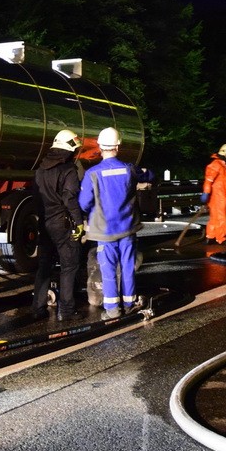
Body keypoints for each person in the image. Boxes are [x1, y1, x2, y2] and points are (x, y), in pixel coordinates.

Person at [79, 127, 147, 319]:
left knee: (108, 268)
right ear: (118, 146)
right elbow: (147, 176)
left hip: (105, 230)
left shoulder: (92, 173)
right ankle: (129, 302)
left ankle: (112, 310)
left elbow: (84, 203)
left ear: (100, 147)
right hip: (127, 228)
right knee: (127, 266)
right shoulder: (129, 169)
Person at [31, 129, 85, 322]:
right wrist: (79, 223)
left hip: (45, 223)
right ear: (69, 149)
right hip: (62, 224)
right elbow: (70, 198)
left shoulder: (40, 169)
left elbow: (35, 198)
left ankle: (38, 308)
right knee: (69, 266)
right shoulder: (68, 169)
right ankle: (67, 311)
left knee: (44, 266)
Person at [201, 143, 226, 245]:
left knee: (215, 217)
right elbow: (208, 181)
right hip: (219, 195)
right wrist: (206, 193)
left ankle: (211, 236)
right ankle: (221, 238)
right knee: (221, 217)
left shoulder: (221, 165)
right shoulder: (216, 165)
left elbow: (223, 180)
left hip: (219, 194)